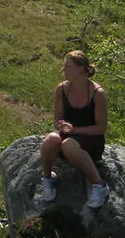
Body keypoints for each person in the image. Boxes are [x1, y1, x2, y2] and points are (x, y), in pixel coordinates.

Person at [39, 50, 109, 208]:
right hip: (69, 136)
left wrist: (75, 130)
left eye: (68, 66)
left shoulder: (97, 93)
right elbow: (57, 119)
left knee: (68, 144)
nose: (64, 70)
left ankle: (99, 185)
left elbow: (101, 128)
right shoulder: (62, 89)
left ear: (81, 68)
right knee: (51, 140)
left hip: (90, 141)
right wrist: (61, 126)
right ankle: (48, 179)